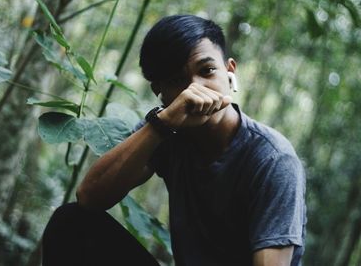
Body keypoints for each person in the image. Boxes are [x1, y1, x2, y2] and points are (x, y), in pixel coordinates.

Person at [42, 15, 306, 266]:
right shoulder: (165, 129)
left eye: (208, 70)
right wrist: (162, 125)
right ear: (160, 92)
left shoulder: (273, 159)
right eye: (177, 81)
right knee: (71, 221)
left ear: (230, 71)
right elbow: (90, 196)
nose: (195, 89)